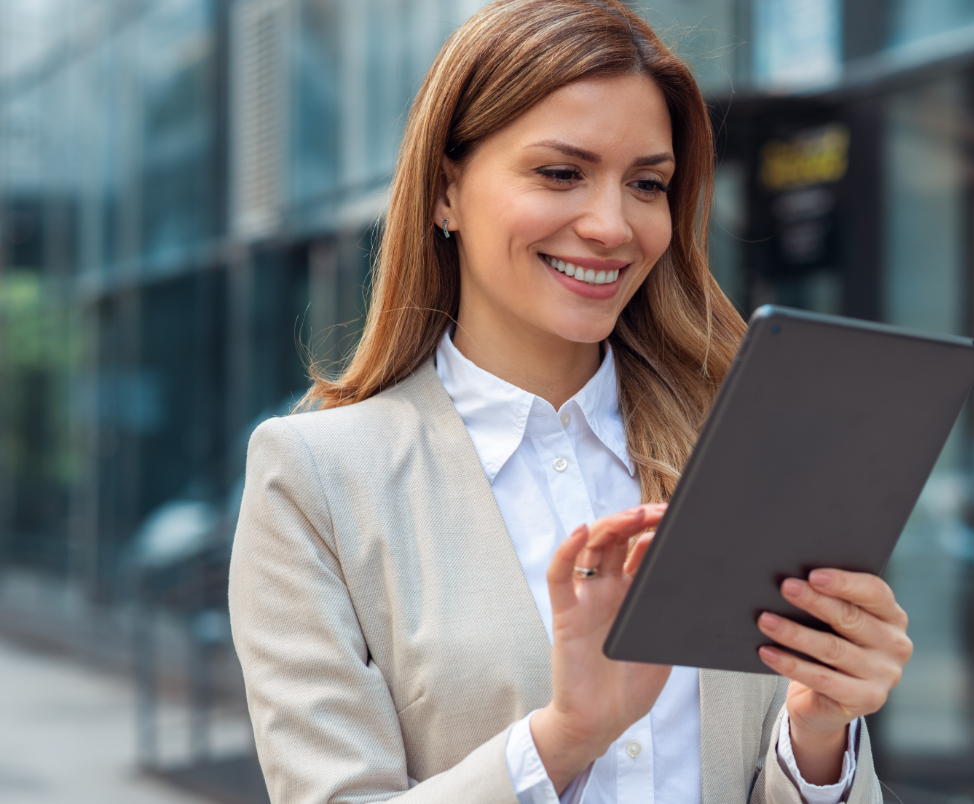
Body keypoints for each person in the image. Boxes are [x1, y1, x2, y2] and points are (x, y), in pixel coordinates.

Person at [228, 1, 913, 802]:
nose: (611, 225)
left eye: (648, 184)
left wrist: (819, 734)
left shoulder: (741, 459)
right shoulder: (316, 481)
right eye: (561, 173)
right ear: (446, 190)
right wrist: (562, 740)